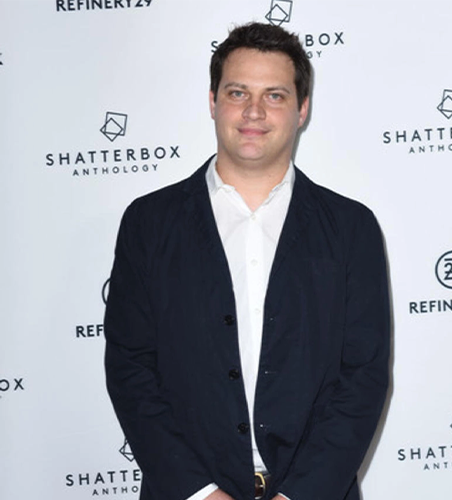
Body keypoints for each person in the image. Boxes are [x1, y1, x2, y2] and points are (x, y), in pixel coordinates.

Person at [104, 22, 390, 500]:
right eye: (238, 93)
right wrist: (199, 493)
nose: (254, 111)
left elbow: (363, 377)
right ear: (213, 101)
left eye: (274, 95)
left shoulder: (351, 228)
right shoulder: (149, 223)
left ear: (302, 109)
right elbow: (130, 368)